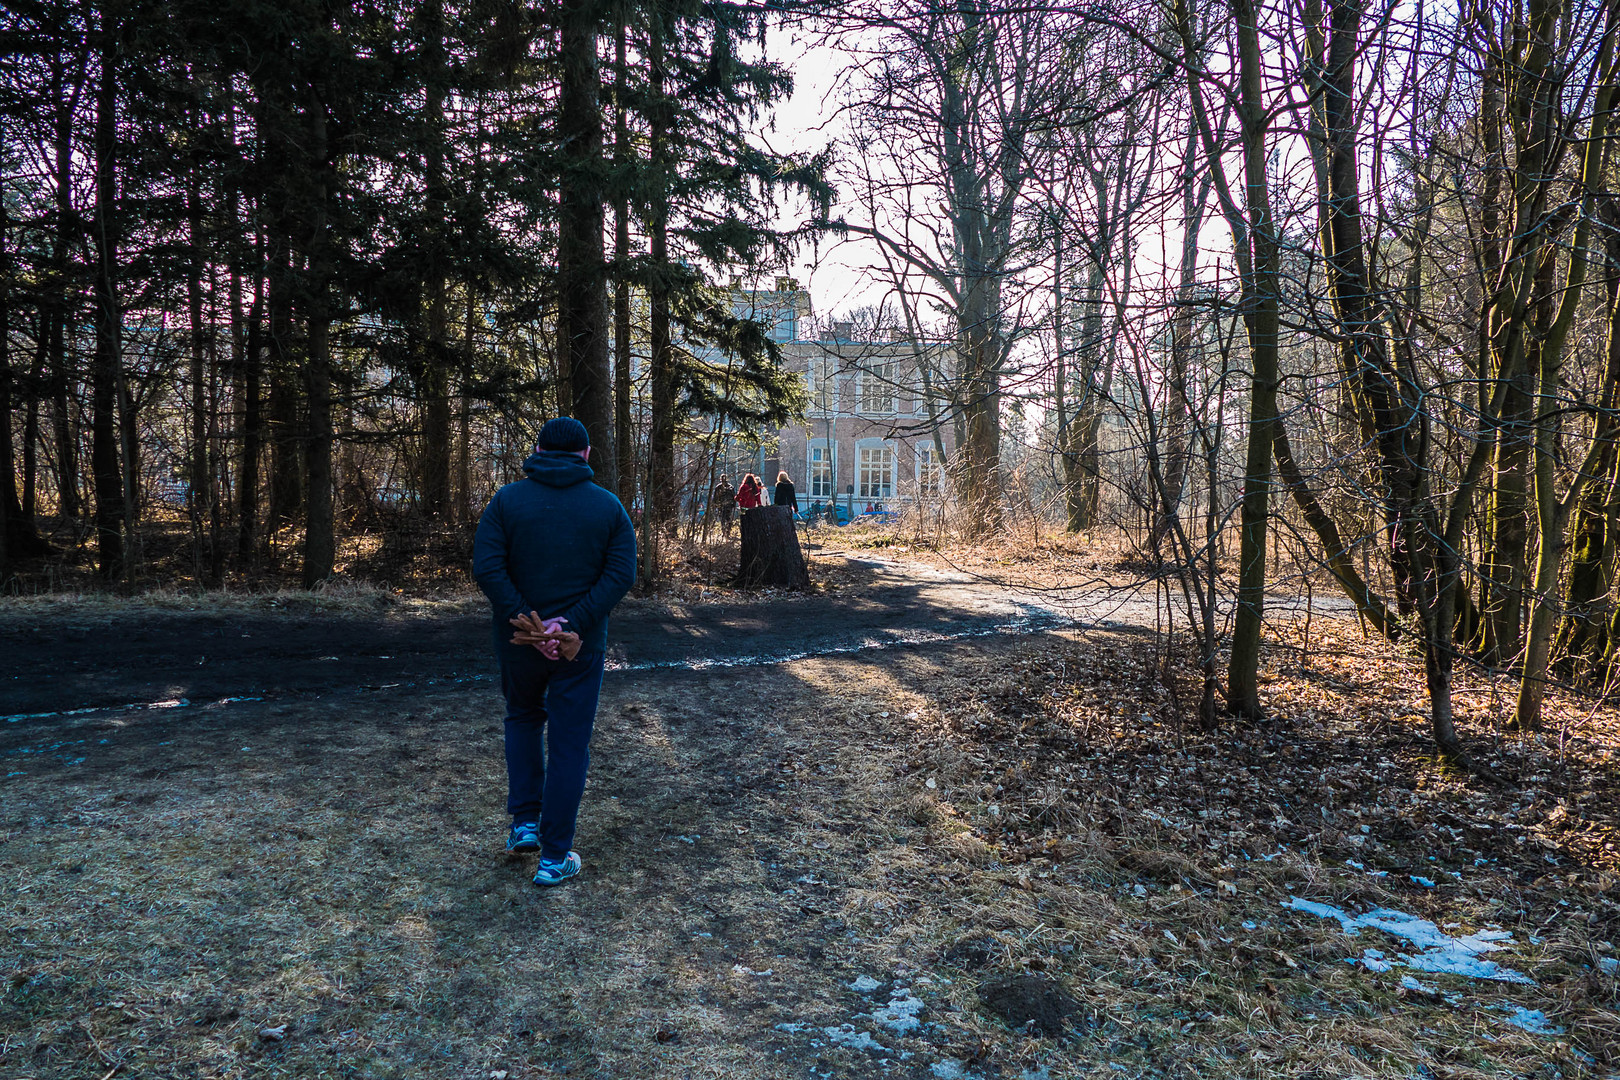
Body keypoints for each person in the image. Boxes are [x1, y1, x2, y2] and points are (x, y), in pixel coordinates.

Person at [472, 416, 636, 887]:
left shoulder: (506, 501)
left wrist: (529, 622)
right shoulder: (607, 506)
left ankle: (525, 824)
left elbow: (488, 568)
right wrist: (572, 624)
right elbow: (622, 573)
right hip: (578, 646)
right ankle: (554, 856)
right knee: (569, 742)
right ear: (586, 454)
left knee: (523, 718)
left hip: (519, 642)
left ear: (539, 450)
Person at [710, 473, 737, 537]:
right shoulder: (729, 487)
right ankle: (727, 532)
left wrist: (714, 504)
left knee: (723, 519)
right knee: (727, 519)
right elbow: (734, 497)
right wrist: (733, 504)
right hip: (726, 506)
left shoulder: (720, 487)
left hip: (723, 506)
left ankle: (725, 532)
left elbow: (715, 497)